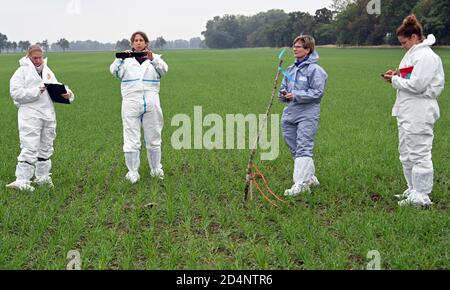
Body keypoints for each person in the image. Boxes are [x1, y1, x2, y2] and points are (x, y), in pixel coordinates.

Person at [383, 15, 445, 206]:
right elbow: (410, 79)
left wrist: (394, 80)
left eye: (403, 42)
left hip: (420, 111)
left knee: (419, 153)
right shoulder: (413, 54)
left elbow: (417, 85)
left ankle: (422, 195)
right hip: (407, 110)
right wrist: (397, 76)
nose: (402, 46)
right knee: (406, 152)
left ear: (414, 37)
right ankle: (412, 189)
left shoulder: (426, 56)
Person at [6, 45, 75, 191]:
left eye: (40, 57)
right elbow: (16, 94)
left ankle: (42, 177)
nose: (38, 61)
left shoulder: (47, 70)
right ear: (28, 57)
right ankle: (22, 180)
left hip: (47, 114)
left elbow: (57, 85)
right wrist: (36, 91)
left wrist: (68, 93)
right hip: (30, 114)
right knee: (30, 146)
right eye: (34, 58)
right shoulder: (21, 72)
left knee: (46, 147)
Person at [110, 31, 168, 184]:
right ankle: (133, 172)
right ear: (132, 43)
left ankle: (156, 169)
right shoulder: (125, 61)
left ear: (146, 43)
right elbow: (115, 72)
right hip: (130, 102)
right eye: (135, 40)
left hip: (151, 102)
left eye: (141, 40)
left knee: (154, 137)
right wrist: (120, 59)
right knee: (131, 139)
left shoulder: (155, 59)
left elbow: (164, 70)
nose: (138, 42)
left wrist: (153, 58)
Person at [279, 35, 328, 196]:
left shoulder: (316, 70)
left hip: (307, 113)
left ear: (308, 50)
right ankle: (310, 177)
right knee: (293, 146)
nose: (295, 48)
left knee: (303, 147)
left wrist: (296, 95)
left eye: (299, 46)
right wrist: (283, 94)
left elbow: (317, 93)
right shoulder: (290, 69)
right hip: (290, 113)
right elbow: (284, 87)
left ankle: (300, 185)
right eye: (294, 46)